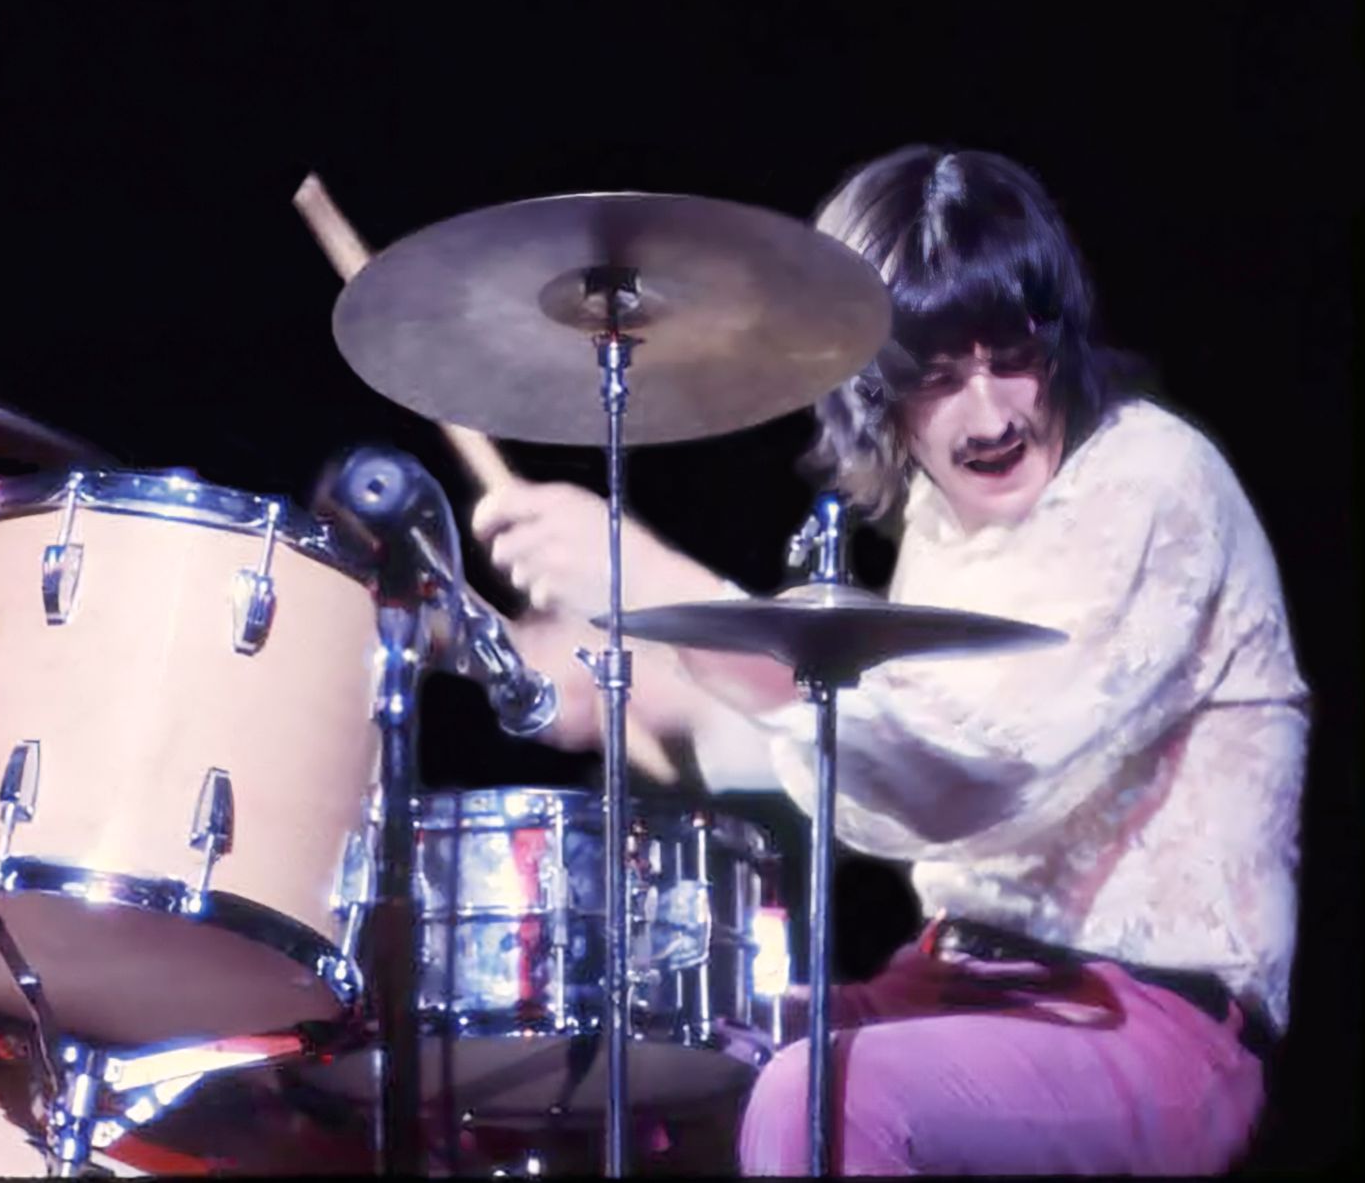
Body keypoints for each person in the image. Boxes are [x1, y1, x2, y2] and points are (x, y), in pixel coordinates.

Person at [471, 145, 1307, 1174]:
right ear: (873, 389)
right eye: (939, 378)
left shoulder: (1153, 478)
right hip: (953, 985)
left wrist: (662, 592)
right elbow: (856, 745)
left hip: (1145, 1023)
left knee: (819, 1096)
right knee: (671, 1059)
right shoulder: (941, 525)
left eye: (1014, 356)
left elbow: (968, 775)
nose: (991, 414)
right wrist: (628, 689)